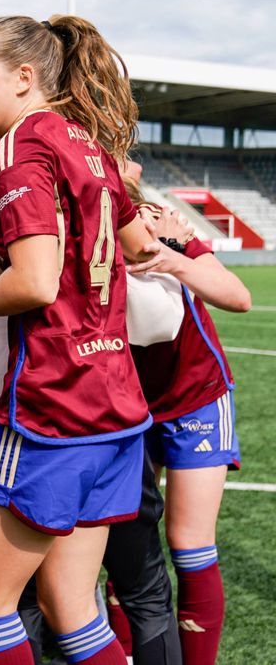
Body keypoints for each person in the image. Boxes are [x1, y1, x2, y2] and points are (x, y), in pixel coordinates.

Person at [0, 15, 156, 665]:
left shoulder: (19, 147)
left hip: (53, 409)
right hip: (115, 404)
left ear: (24, 77)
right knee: (71, 602)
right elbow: (130, 251)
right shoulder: (87, 142)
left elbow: (35, 282)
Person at [127, 186, 250, 665]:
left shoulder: (159, 223)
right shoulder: (82, 229)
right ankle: (131, 654)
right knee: (131, 539)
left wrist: (174, 255)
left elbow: (237, 297)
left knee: (188, 541)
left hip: (196, 398)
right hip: (131, 406)